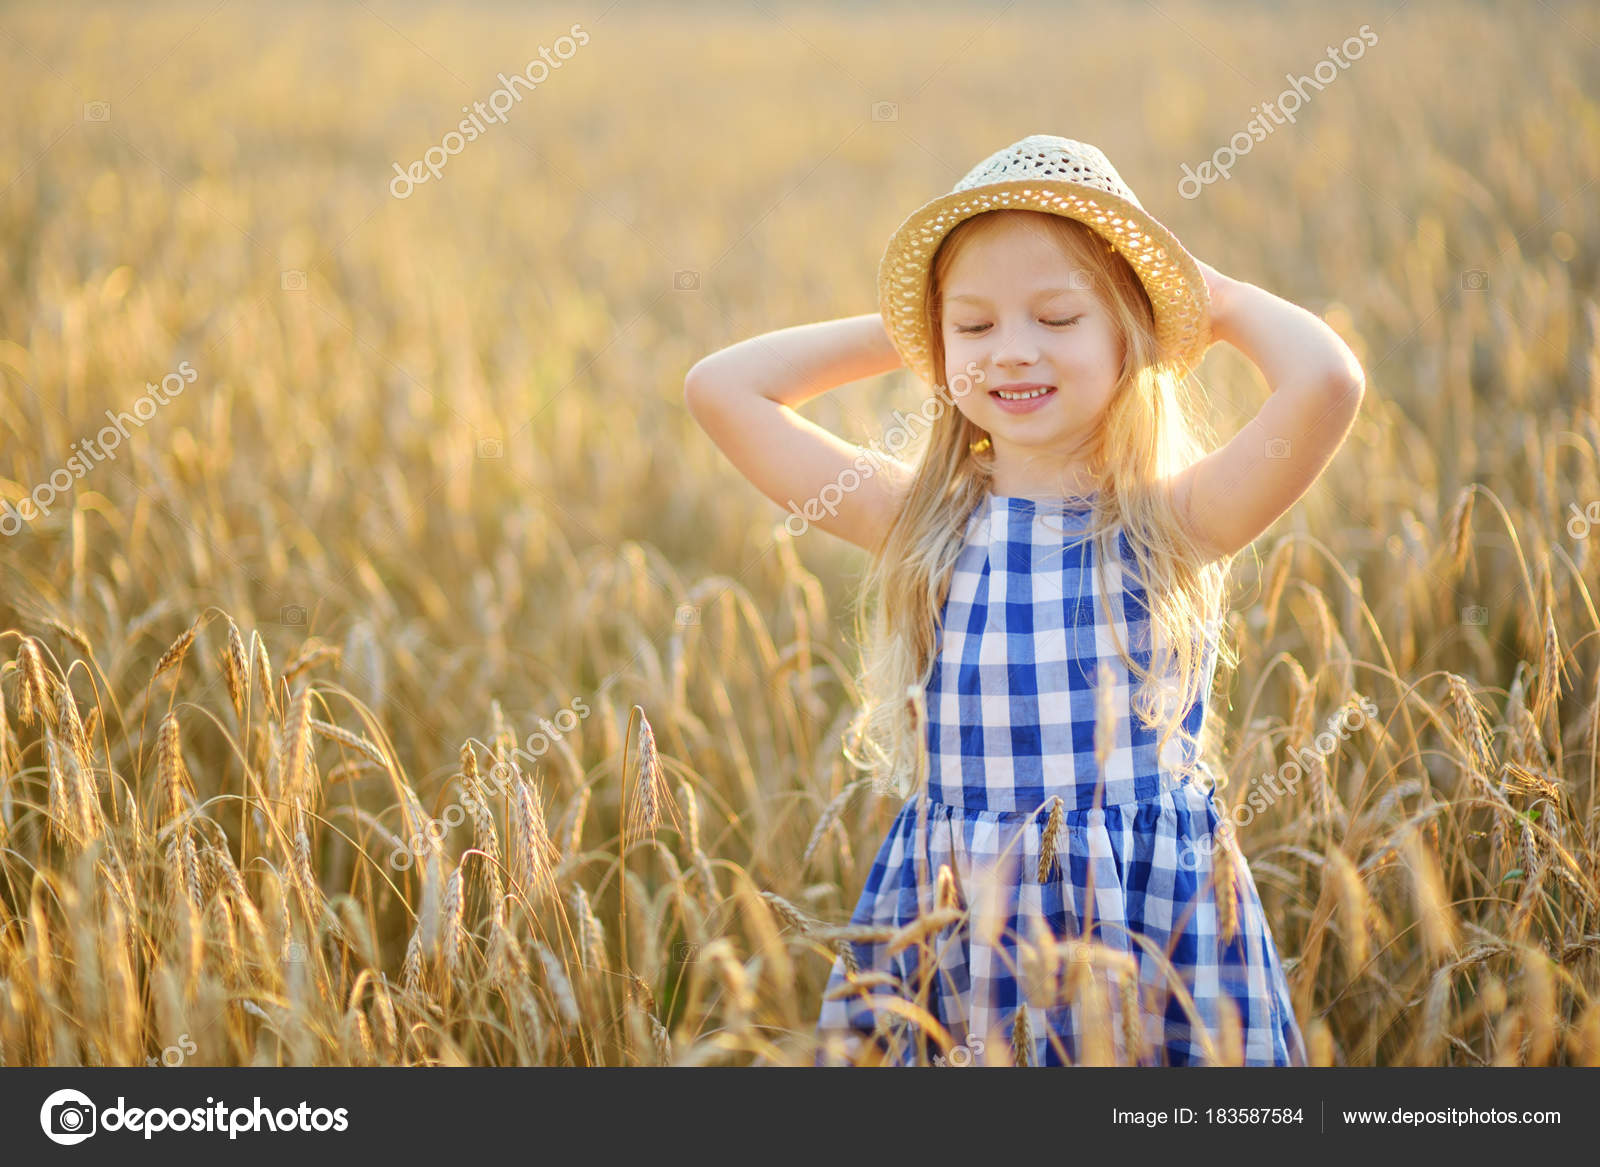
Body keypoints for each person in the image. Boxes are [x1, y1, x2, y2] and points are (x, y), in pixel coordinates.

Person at [684, 135, 1364, 1066]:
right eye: (976, 328)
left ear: (1131, 332)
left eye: (1055, 317)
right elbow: (721, 388)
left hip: (1143, 927)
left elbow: (1327, 382)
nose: (1012, 351)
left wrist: (1221, 301)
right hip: (961, 923)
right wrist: (919, 332)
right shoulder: (919, 520)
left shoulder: (1173, 523)